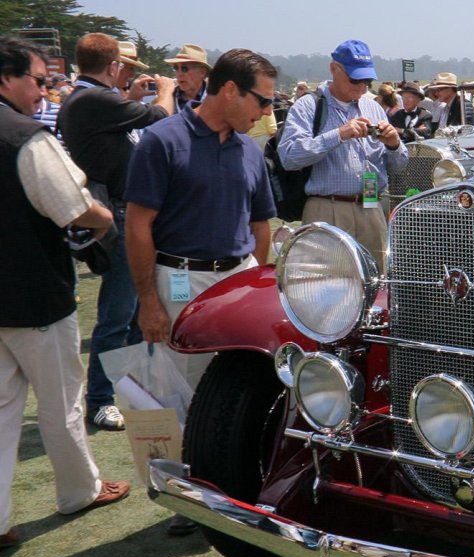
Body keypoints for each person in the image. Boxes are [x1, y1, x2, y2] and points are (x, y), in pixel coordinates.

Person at [0, 36, 130, 550]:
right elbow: (74, 207)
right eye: (38, 80)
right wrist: (103, 221)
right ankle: (80, 490)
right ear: (6, 79)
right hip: (34, 293)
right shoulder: (23, 136)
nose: (43, 91)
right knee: (61, 401)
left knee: (4, 410)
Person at [125, 48, 277, 391]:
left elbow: (260, 224)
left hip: (239, 283)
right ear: (230, 90)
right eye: (262, 100)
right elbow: (137, 225)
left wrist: (253, 285)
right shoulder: (162, 140)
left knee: (239, 387)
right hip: (180, 284)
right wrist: (149, 301)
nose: (267, 111)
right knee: (180, 392)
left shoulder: (250, 149)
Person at [57, 33, 176, 432]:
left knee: (126, 315)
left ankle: (120, 389)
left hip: (122, 210)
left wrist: (130, 95)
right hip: (119, 214)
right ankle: (101, 399)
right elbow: (160, 118)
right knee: (119, 313)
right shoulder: (93, 99)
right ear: (111, 67)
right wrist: (167, 92)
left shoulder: (86, 98)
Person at [277, 39, 406, 268]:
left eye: (367, 80)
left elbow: (398, 167)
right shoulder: (308, 106)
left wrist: (394, 145)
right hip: (328, 208)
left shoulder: (374, 108)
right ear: (334, 69)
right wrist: (338, 135)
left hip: (371, 206)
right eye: (355, 78)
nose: (362, 86)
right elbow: (289, 157)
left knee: (376, 283)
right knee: (325, 286)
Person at [164, 42, 210, 109]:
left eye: (184, 68)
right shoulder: (167, 99)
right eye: (176, 68)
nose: (179, 74)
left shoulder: (216, 100)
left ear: (202, 72)